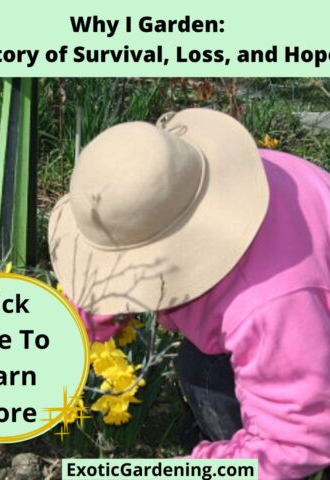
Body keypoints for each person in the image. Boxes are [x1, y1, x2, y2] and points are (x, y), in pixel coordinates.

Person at [48, 108, 330, 480]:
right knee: (200, 366)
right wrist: (46, 360)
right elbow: (112, 276)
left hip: (302, 340)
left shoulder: (265, 306)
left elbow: (295, 446)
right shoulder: (210, 179)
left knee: (206, 377)